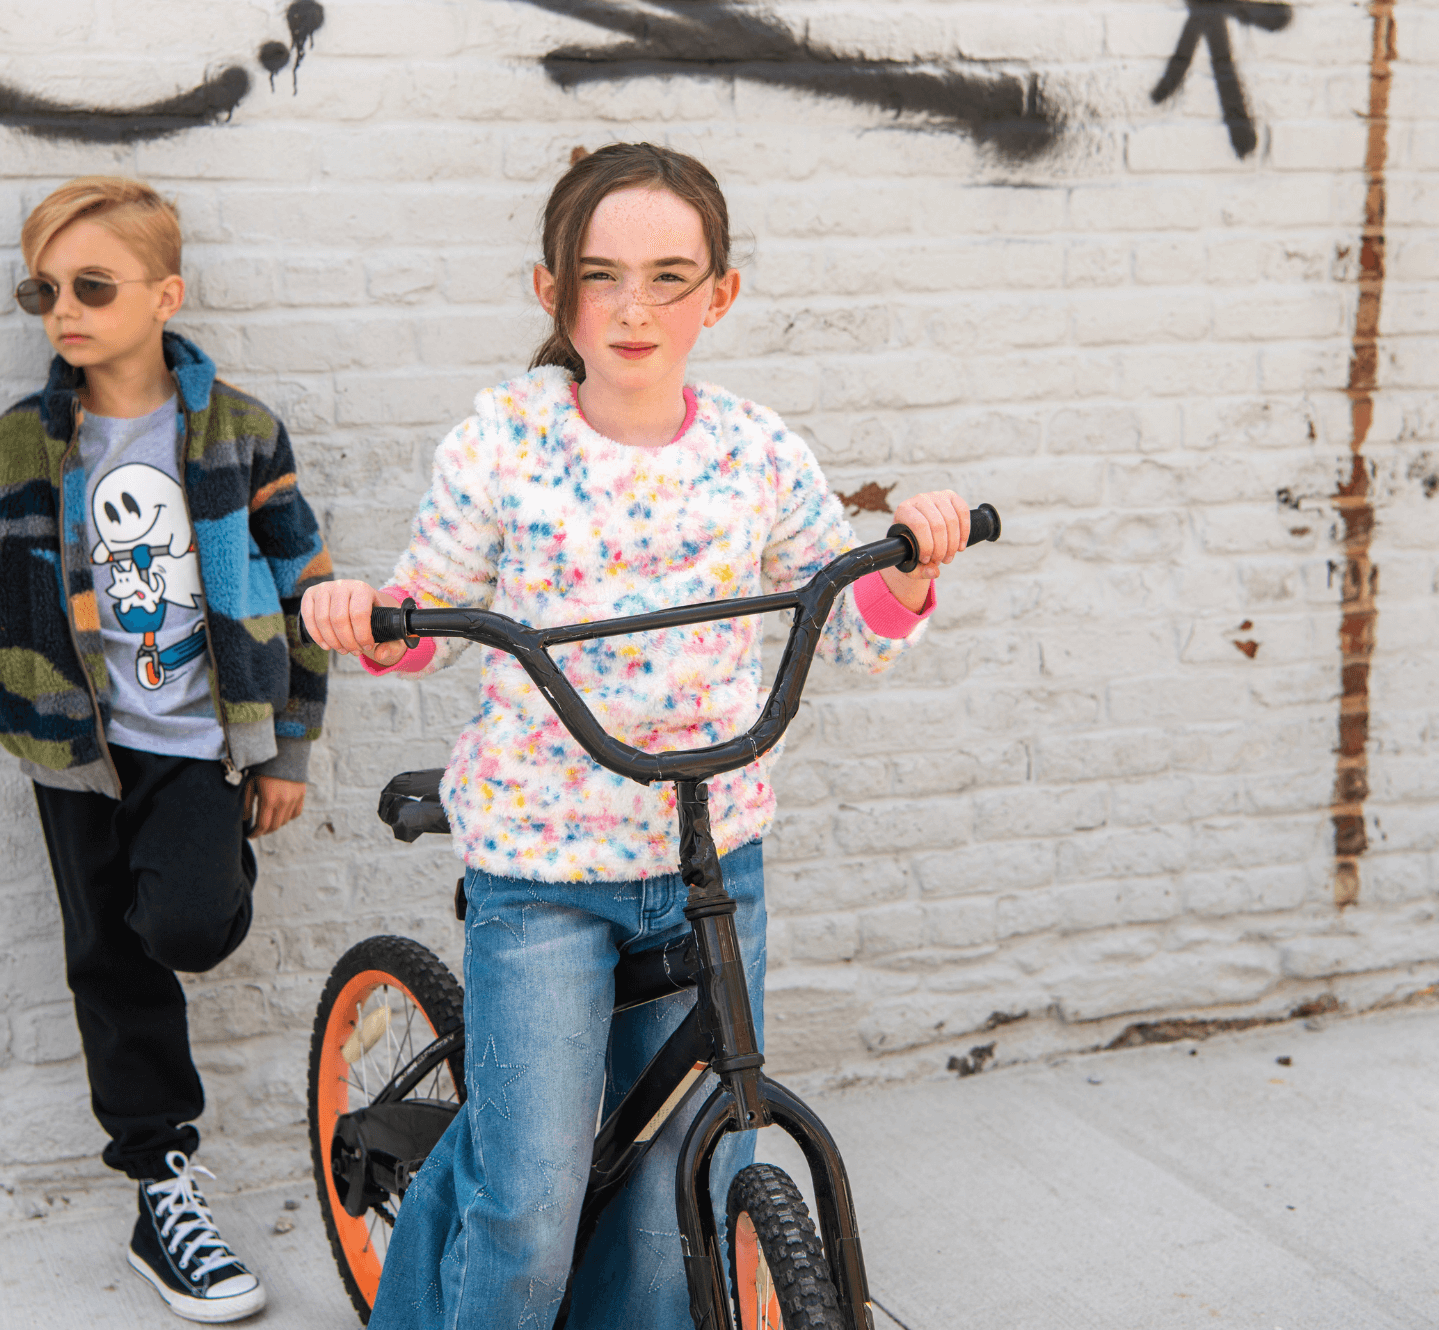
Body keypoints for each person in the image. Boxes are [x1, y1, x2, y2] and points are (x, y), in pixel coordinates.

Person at [302, 143, 975, 1329]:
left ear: (719, 294)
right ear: (550, 290)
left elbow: (847, 615)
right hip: (544, 868)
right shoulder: (503, 443)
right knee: (528, 1194)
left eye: (669, 277)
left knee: (682, 1185)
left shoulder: (755, 452)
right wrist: (365, 615)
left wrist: (910, 566)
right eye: (599, 275)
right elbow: (425, 614)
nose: (632, 307)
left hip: (710, 856)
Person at [0, 176, 330, 1323]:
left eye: (92, 286)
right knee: (107, 959)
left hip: (199, 743)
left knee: (189, 924)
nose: (64, 309)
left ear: (164, 294)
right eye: (43, 290)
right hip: (74, 749)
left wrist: (286, 748)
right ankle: (160, 1183)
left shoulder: (238, 433)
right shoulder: (17, 445)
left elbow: (305, 584)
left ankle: (198, 879)